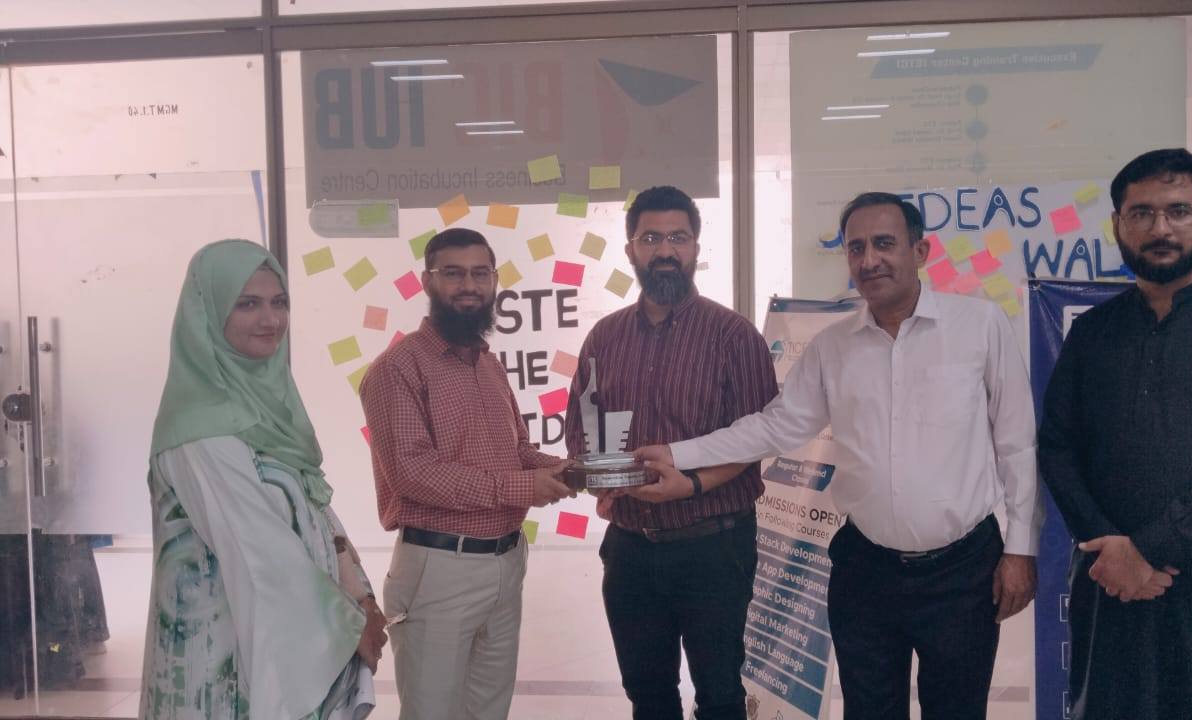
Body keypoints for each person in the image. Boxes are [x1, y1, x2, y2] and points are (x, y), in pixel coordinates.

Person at [637, 192, 1043, 720]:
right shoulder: (833, 347)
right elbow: (775, 426)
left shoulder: (980, 326)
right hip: (866, 571)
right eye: (856, 248)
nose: (869, 260)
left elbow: (1017, 443)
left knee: (957, 710)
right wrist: (677, 453)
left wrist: (1021, 550)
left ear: (920, 251)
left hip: (962, 572)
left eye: (884, 244)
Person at [1038, 148, 1192, 719]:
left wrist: (1150, 549)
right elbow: (1058, 446)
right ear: (1118, 224)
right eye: (1141, 213)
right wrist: (1108, 543)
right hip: (1114, 586)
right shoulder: (1094, 332)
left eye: (1179, 210)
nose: (1160, 228)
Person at [140, 239, 386, 720]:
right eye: (247, 304)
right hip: (220, 669)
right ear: (208, 312)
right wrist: (348, 625)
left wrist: (361, 597)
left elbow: (315, 509)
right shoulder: (200, 428)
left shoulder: (268, 411)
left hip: (284, 648)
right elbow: (260, 549)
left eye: (279, 302)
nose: (270, 319)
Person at [563, 185, 778, 720]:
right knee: (648, 695)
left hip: (714, 549)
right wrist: (600, 479)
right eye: (651, 238)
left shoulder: (734, 336)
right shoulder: (605, 337)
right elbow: (581, 429)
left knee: (720, 696)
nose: (665, 250)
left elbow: (758, 437)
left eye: (678, 238)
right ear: (631, 249)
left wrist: (693, 483)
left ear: (696, 247)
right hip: (630, 550)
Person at [360, 228, 572, 720]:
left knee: (488, 711)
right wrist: (525, 487)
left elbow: (515, 451)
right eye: (453, 274)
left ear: (495, 281)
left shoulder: (488, 364)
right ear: (427, 282)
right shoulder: (398, 368)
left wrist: (571, 470)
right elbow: (414, 473)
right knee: (432, 713)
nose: (469, 286)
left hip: (506, 562)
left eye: (480, 274)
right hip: (439, 568)